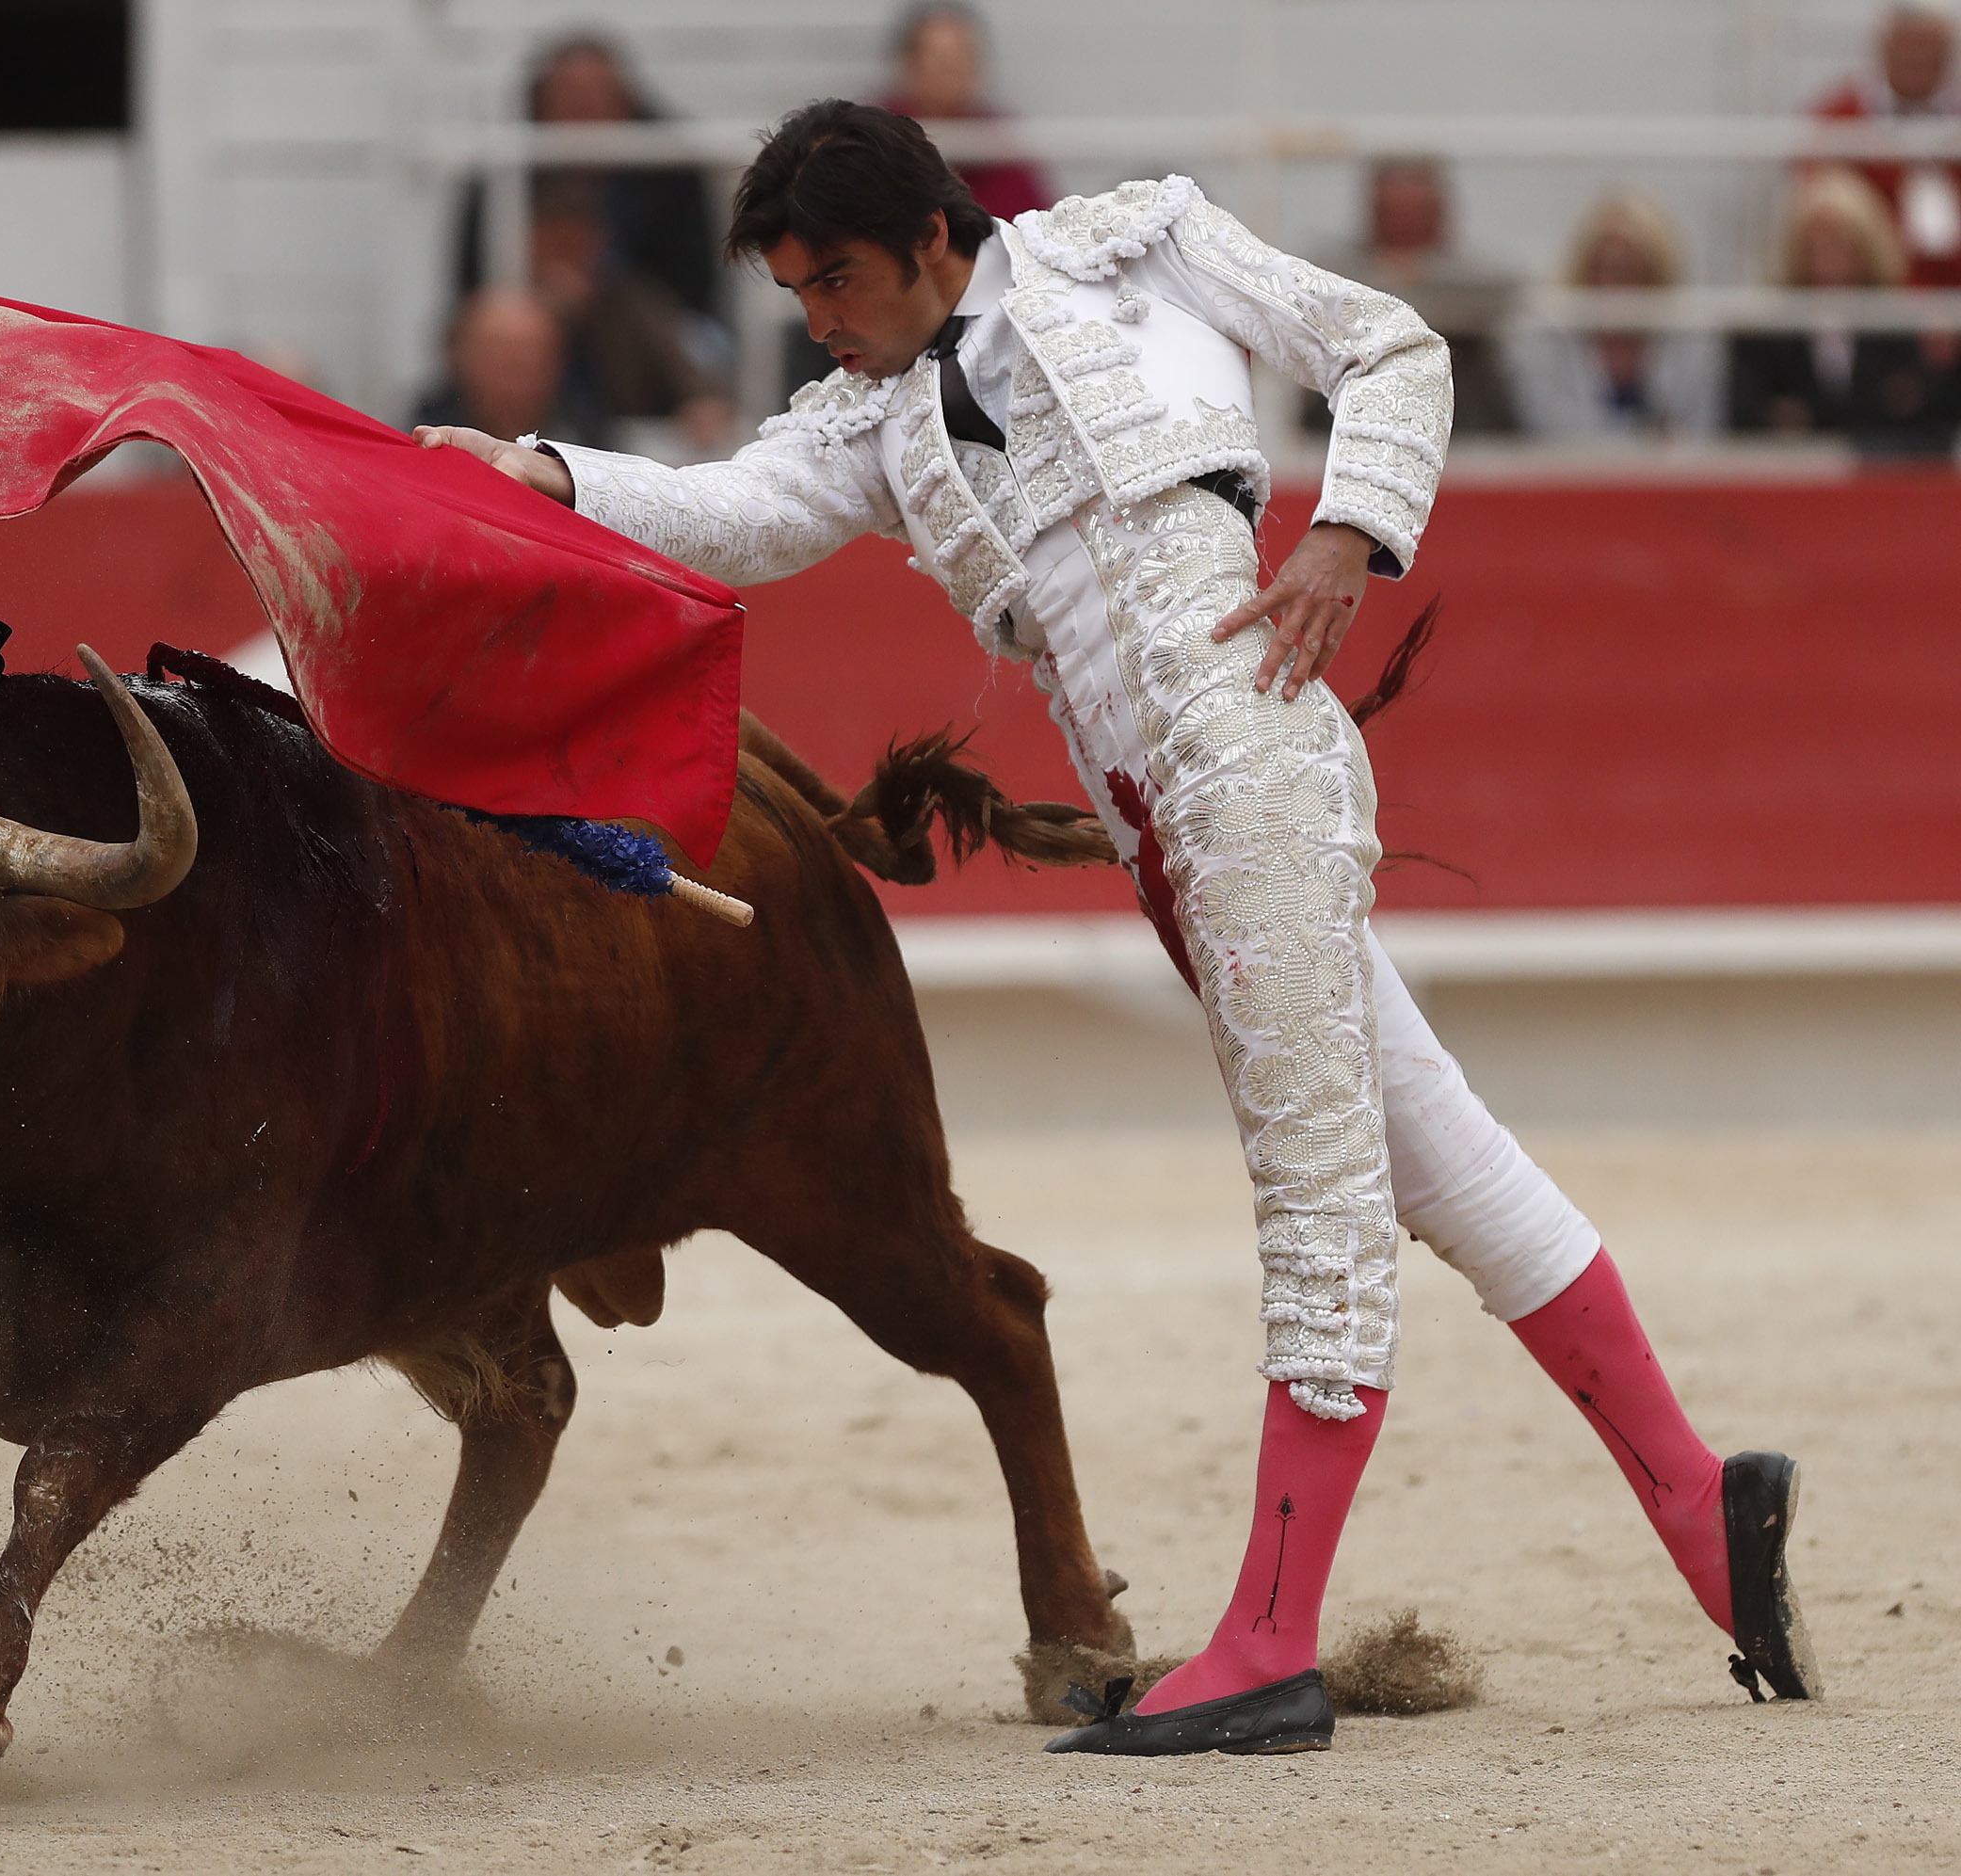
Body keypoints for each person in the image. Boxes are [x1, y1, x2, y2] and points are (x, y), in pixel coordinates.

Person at [418, 101, 1817, 1755]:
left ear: (935, 236)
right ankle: (1704, 1507)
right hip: (1173, 832)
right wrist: (547, 471)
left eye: (840, 278)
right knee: (1447, 1166)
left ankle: (1273, 1642)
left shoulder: (1138, 249)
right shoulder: (875, 422)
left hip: (1253, 775)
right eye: (799, 292)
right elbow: (732, 511)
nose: (822, 318)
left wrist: (1349, 539)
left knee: (1318, 1200)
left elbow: (1391, 345)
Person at [453, 34, 723, 327]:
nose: (584, 120)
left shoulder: (668, 168)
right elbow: (471, 283)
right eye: (569, 102)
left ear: (626, 107)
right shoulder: (504, 168)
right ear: (540, 107)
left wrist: (609, 297)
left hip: (640, 334)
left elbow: (694, 287)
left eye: (598, 101)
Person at [1729, 166, 1961, 457]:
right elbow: (1744, 420)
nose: (1828, 255)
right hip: (1794, 482)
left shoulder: (1902, 327)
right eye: (1816, 242)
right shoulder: (1766, 333)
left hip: (1881, 482)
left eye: (1841, 242)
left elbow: (1935, 417)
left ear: (1866, 246)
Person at [528, 170, 735, 458]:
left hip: (615, 455)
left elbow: (692, 376)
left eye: (579, 247)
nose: (570, 261)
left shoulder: (631, 302)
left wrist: (704, 402)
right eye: (558, 247)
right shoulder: (510, 309)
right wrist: (552, 317)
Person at [1311, 156, 1519, 434]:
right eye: (1394, 214)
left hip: (1459, 408)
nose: (1405, 226)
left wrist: (1414, 282)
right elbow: (1311, 292)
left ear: (1441, 216)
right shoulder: (1336, 268)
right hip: (1355, 404)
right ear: (1372, 216)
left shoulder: (1472, 275)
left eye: (1416, 213)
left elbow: (1505, 294)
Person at [1508, 189, 1721, 441]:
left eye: (1629, 270)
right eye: (1601, 268)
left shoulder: (1693, 343)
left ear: (1655, 275)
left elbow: (1700, 442)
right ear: (1581, 272)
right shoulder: (1541, 342)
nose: (1612, 284)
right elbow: (1554, 439)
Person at [1815, 2, 1961, 287]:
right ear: (1883, 53)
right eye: (1906, 53)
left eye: (1929, 55)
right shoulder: (1841, 118)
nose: (1917, 63)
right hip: (1874, 292)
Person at [881, 3, 1054, 221]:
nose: (953, 70)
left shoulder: (1001, 146)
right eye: (941, 59)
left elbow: (1034, 225)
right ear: (910, 63)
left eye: (964, 57)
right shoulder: (878, 141)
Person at [410, 286, 603, 449]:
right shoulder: (418, 438)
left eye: (530, 353)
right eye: (495, 351)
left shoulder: (594, 447)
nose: (513, 370)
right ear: (459, 357)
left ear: (559, 362)